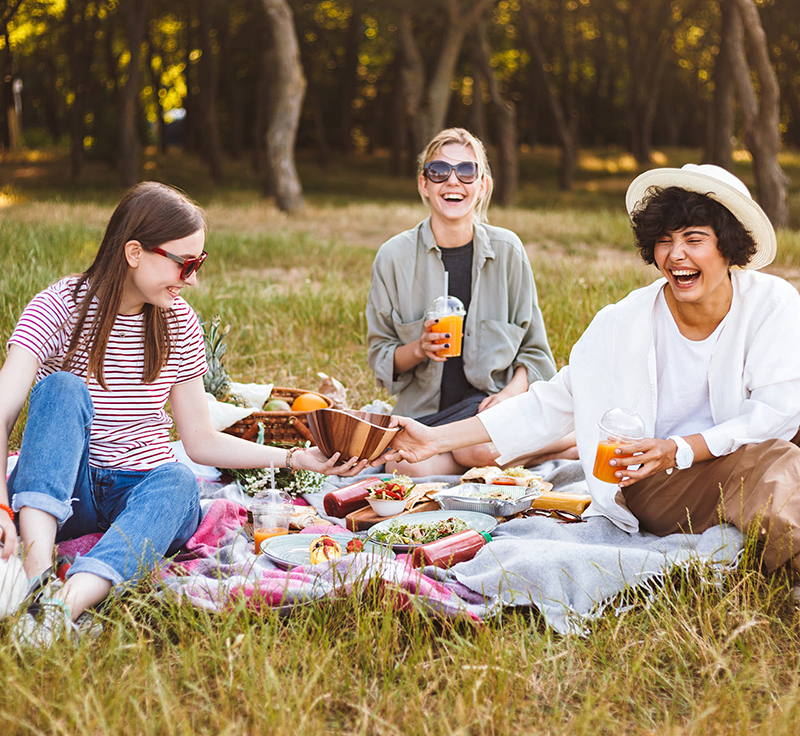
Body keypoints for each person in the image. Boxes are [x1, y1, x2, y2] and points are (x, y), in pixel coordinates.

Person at [378, 163, 800, 587]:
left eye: (694, 240)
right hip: (655, 481)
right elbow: (551, 404)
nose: (676, 255)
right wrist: (435, 438)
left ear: (728, 247)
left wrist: (679, 447)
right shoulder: (623, 322)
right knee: (774, 461)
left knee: (780, 448)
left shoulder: (771, 303)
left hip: (722, 455)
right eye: (665, 241)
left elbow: (777, 412)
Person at [0, 181, 366, 647]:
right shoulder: (60, 306)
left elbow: (201, 441)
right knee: (60, 388)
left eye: (201, 263)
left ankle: (60, 607)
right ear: (135, 252)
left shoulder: (178, 322)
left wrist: (294, 460)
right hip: (64, 490)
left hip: (140, 489)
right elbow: (3, 410)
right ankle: (36, 576)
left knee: (177, 481)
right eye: (185, 263)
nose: (193, 279)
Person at [366, 127, 575, 475]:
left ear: (483, 186)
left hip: (490, 409)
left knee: (478, 445)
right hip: (426, 417)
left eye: (466, 171)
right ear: (424, 184)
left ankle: (551, 443)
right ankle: (564, 446)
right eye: (439, 171)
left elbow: (535, 353)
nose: (453, 181)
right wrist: (419, 348)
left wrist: (508, 397)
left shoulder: (509, 251)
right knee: (410, 470)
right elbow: (381, 358)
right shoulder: (393, 257)